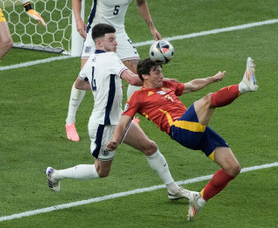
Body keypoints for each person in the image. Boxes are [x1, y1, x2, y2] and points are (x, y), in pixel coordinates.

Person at [45, 24, 192, 201]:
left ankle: (172, 189)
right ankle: (55, 175)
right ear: (99, 43)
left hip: (118, 120)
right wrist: (163, 80)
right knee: (101, 171)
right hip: (104, 125)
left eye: (115, 39)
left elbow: (78, 84)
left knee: (150, 147)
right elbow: (132, 79)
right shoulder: (110, 58)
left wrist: (102, 86)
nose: (116, 43)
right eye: (111, 39)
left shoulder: (92, 60)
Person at [107, 57, 259, 221]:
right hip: (180, 130)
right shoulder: (138, 96)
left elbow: (191, 85)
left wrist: (213, 79)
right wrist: (115, 139)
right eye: (156, 72)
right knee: (208, 100)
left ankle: (200, 199)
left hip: (194, 129)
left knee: (233, 168)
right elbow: (124, 121)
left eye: (161, 71)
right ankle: (243, 86)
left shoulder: (167, 85)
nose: (161, 75)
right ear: (144, 76)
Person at [65, 0, 161, 142]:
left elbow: (141, 2)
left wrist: (151, 27)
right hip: (97, 32)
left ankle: (128, 114)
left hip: (118, 32)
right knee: (85, 78)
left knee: (136, 71)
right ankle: (70, 121)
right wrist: (78, 20)